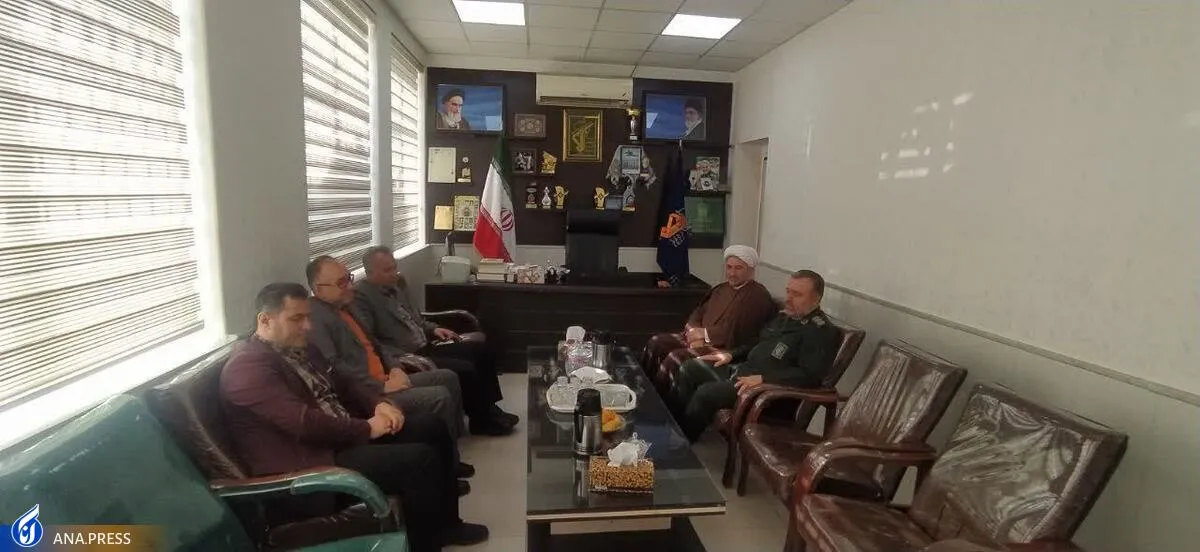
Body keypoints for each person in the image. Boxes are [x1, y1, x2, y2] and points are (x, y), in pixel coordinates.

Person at [220, 282, 488, 551]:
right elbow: (305, 424)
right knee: (419, 461)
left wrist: (378, 404)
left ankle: (447, 525)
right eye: (296, 319)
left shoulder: (299, 348)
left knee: (432, 427)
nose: (307, 326)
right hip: (311, 462)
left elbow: (345, 382)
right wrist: (366, 428)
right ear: (265, 320)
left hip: (339, 437)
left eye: (307, 317)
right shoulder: (248, 368)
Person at [305, 256, 487, 446]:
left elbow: (376, 344)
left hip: (388, 375)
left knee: (448, 377)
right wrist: (380, 386)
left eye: (348, 278)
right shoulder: (315, 319)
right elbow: (335, 369)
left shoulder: (346, 306)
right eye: (341, 283)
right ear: (319, 289)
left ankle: (453, 443)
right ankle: (447, 454)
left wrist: (395, 368)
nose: (350, 286)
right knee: (439, 396)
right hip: (369, 391)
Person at [354, 246, 517, 434]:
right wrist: (396, 362)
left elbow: (416, 319)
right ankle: (482, 421)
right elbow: (372, 341)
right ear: (369, 273)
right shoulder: (361, 297)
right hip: (408, 355)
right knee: (465, 369)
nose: (394, 273)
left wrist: (434, 328)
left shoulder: (397, 285)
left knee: (482, 351)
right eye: (387, 270)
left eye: (394, 267)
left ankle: (490, 408)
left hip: (426, 344)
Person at [670, 270, 841, 442]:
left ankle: (680, 444)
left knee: (706, 393)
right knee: (689, 368)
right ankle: (669, 428)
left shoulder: (821, 331)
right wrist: (730, 355)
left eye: (797, 294)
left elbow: (809, 376)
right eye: (788, 291)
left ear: (816, 299)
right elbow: (758, 342)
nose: (788, 298)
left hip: (768, 392)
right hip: (743, 371)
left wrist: (764, 379)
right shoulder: (786, 317)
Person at [642, 245, 777, 391]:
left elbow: (736, 332)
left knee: (675, 358)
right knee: (657, 343)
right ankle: (642, 386)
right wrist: (694, 332)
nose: (732, 273)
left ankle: (659, 399)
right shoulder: (721, 289)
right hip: (698, 339)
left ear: (751, 270)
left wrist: (704, 335)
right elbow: (698, 312)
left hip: (724, 348)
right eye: (729, 267)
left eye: (738, 268)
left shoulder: (757, 297)